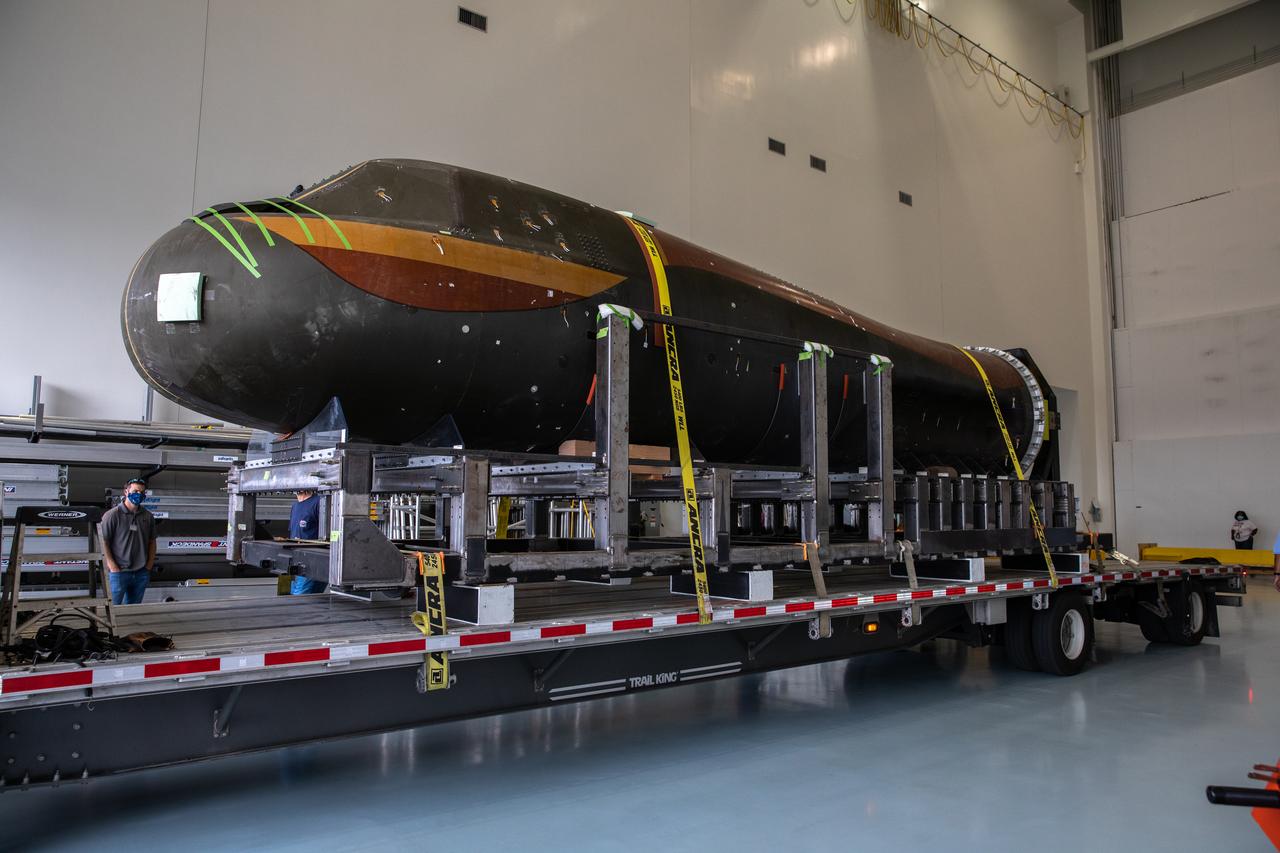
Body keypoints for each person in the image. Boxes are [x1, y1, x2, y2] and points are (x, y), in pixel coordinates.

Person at [99, 478, 157, 605]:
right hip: (119, 573)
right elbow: (104, 542)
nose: (139, 494)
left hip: (141, 572)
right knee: (113, 610)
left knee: (133, 610)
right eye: (135, 491)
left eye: (142, 492)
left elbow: (152, 541)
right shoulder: (112, 515)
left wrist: (149, 565)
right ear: (126, 492)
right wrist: (112, 566)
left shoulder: (148, 516)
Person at [289, 488, 327, 595]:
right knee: (298, 593)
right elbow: (294, 531)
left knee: (300, 595)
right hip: (297, 558)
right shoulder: (295, 506)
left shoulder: (319, 502)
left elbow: (327, 532)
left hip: (312, 560)